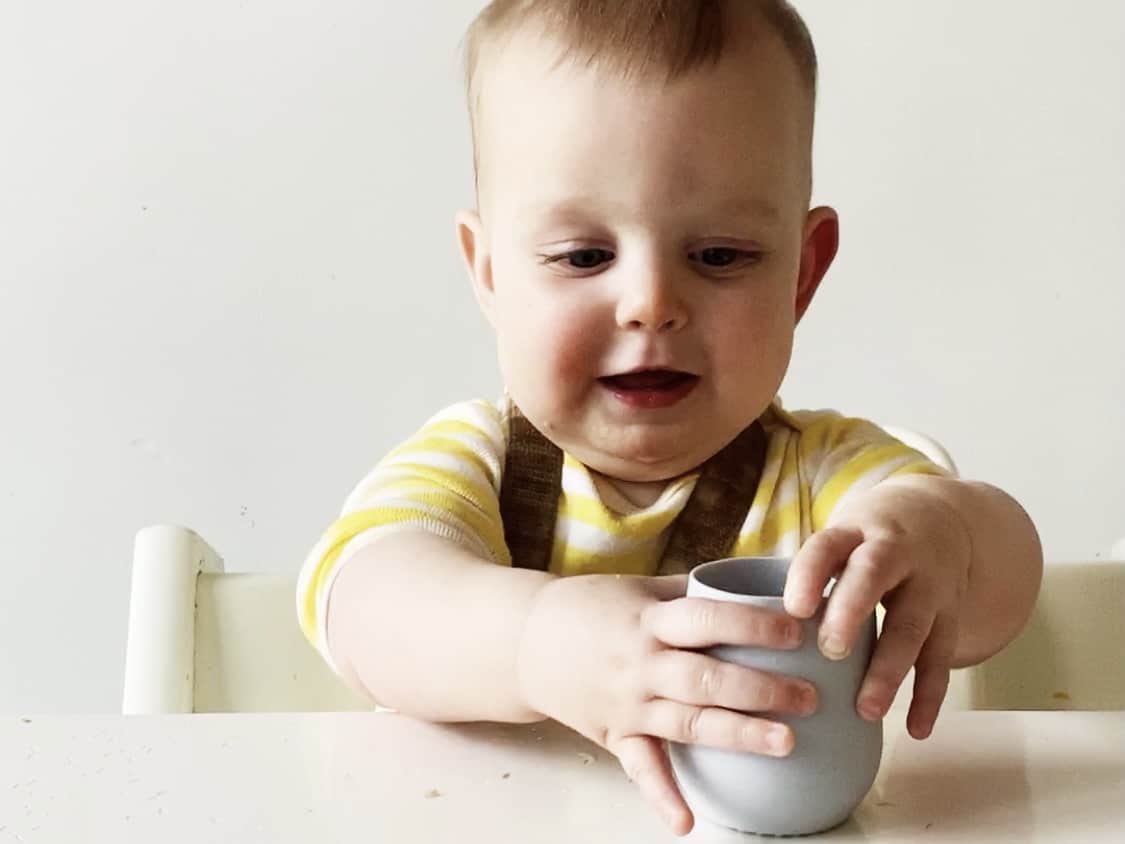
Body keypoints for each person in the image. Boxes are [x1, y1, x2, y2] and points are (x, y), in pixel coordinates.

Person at [296, 1, 1043, 834]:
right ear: (492, 273)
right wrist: (539, 644)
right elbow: (360, 603)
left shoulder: (827, 477)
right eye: (583, 256)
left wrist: (943, 535)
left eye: (718, 255)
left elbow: (1000, 584)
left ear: (801, 274)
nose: (650, 304)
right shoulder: (475, 462)